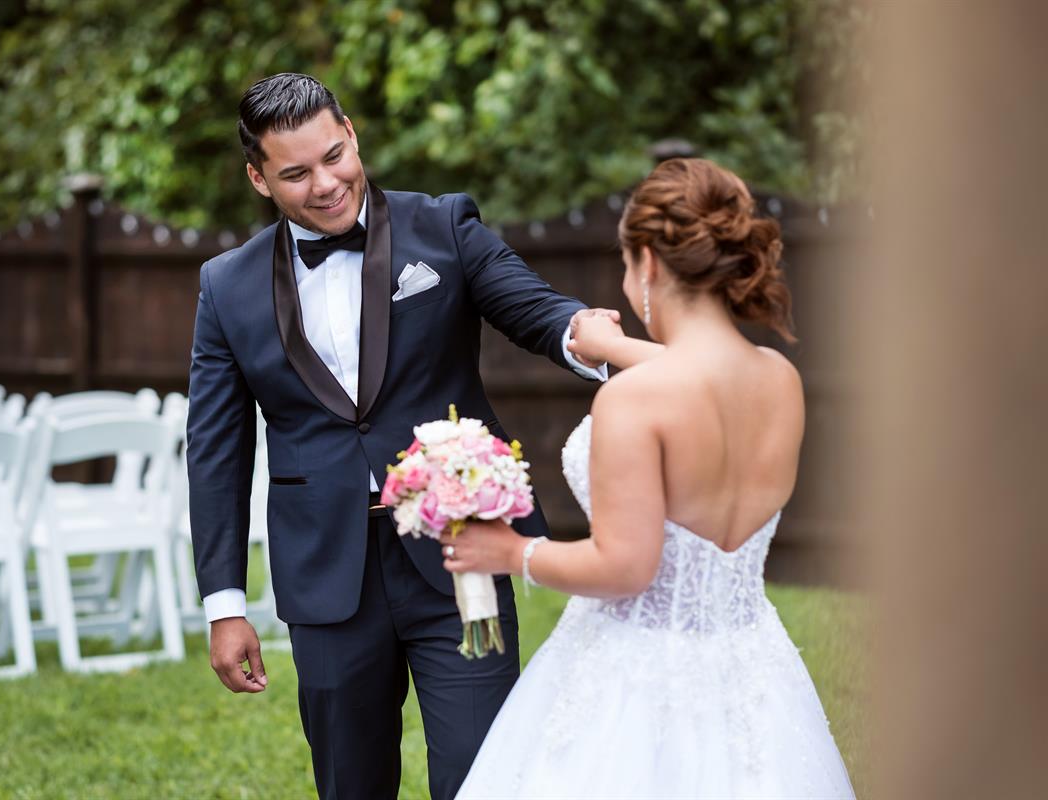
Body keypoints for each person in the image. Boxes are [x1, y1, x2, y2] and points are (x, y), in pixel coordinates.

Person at [185, 72, 615, 800]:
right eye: (296, 173)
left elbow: (539, 311)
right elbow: (216, 454)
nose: (326, 184)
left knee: (480, 778)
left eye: (334, 156)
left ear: (351, 134)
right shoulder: (226, 287)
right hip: (325, 576)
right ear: (259, 178)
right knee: (351, 784)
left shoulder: (442, 227)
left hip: (460, 556)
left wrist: (596, 338)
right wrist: (225, 606)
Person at [447, 158, 856, 798]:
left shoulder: (635, 401)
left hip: (634, 672)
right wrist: (614, 348)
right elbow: (701, 373)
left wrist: (509, 552)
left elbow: (625, 568)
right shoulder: (779, 379)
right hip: (750, 665)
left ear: (649, 265)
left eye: (625, 263)